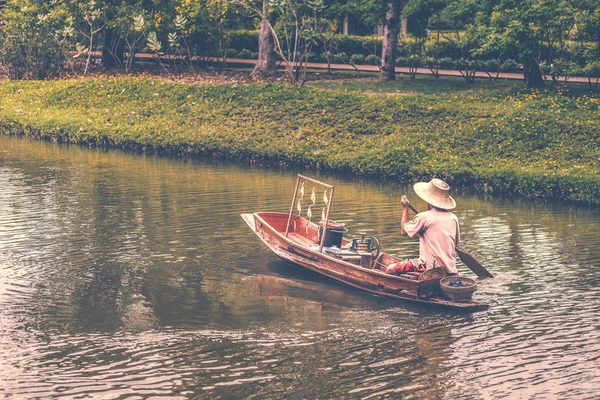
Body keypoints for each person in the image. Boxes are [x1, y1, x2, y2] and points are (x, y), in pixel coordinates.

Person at [383, 178, 460, 276]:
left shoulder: (424, 217)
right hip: (451, 270)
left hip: (428, 268)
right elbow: (455, 243)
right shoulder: (453, 218)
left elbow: (403, 231)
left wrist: (405, 208)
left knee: (390, 269)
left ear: (428, 200)